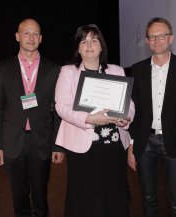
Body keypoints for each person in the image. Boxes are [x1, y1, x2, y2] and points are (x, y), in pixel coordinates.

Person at [55, 24, 135, 217]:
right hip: (83, 148)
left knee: (114, 197)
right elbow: (62, 107)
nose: (89, 44)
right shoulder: (68, 72)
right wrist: (90, 118)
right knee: (84, 200)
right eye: (84, 41)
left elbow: (130, 104)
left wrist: (126, 118)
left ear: (101, 47)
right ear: (78, 48)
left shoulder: (117, 70)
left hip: (114, 147)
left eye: (94, 40)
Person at [0, 18, 64, 217]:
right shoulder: (3, 68)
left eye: (35, 34)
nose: (31, 37)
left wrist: (57, 146)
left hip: (41, 142)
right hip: (12, 142)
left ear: (41, 38)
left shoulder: (54, 69)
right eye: (26, 33)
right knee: (18, 197)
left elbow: (58, 111)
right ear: (17, 36)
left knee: (41, 197)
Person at [127, 17, 176, 217]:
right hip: (144, 142)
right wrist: (132, 144)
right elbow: (134, 110)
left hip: (174, 142)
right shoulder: (138, 69)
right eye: (152, 36)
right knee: (148, 198)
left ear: (171, 38)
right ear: (147, 41)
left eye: (161, 36)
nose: (157, 40)